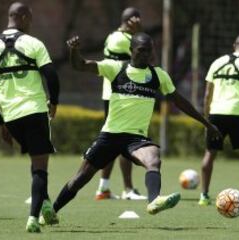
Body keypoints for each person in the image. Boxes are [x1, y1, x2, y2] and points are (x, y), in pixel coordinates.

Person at [48, 32, 221, 219]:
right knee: (80, 179)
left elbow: (180, 102)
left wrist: (207, 124)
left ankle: (153, 201)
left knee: (154, 159)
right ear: (131, 51)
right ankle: (51, 211)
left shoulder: (158, 75)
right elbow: (80, 65)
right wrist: (74, 50)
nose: (146, 54)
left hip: (136, 139)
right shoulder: (116, 68)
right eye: (141, 50)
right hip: (110, 136)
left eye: (149, 51)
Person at [0, 2, 59, 233]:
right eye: (30, 17)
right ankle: (33, 218)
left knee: (35, 162)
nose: (32, 21)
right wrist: (54, 102)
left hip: (11, 116)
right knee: (40, 167)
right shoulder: (34, 43)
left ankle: (45, 205)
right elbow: (51, 76)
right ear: (22, 17)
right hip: (34, 111)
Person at [198, 34, 239, 207]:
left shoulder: (216, 62)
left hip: (215, 112)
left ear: (234, 45)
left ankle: (204, 195)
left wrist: (207, 121)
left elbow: (207, 95)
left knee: (210, 152)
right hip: (237, 113)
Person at [96, 7, 146, 201]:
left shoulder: (111, 36)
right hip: (119, 94)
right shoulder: (122, 39)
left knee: (113, 142)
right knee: (125, 140)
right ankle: (127, 189)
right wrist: (140, 34)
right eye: (138, 20)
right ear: (131, 20)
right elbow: (148, 60)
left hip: (113, 94)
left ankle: (104, 188)